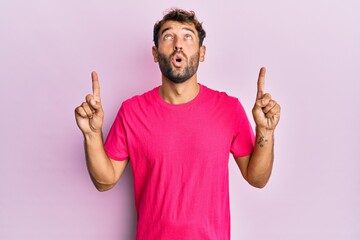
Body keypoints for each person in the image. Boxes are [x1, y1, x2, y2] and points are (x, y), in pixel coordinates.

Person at [75, 8, 281, 240]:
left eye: (187, 36)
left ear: (202, 53)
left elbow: (257, 178)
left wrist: (265, 132)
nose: (178, 44)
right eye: (168, 36)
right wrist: (92, 135)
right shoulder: (131, 112)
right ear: (155, 53)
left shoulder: (228, 109)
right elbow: (105, 181)